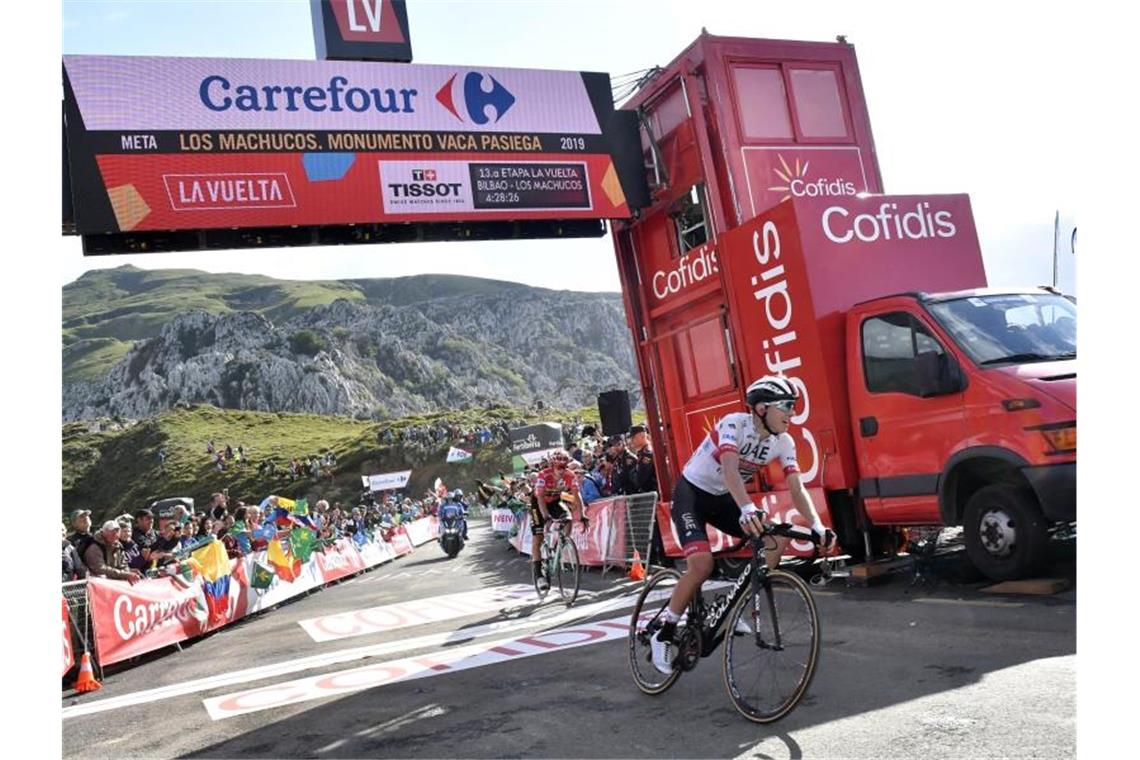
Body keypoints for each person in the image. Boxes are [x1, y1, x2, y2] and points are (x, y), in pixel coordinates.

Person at [649, 375, 836, 675]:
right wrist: (748, 508)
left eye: (793, 406)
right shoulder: (733, 424)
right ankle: (665, 632)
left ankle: (743, 608)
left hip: (725, 498)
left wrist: (816, 525)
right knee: (701, 566)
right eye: (786, 406)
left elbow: (797, 488)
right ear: (762, 408)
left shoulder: (783, 441)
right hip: (693, 494)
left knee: (775, 540)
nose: (791, 413)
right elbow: (730, 470)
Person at [530, 449, 587, 593]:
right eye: (558, 467)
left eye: (564, 467)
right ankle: (539, 575)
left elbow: (576, 495)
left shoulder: (570, 475)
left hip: (555, 500)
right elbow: (541, 498)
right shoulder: (544, 475)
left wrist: (582, 514)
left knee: (567, 520)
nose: (562, 471)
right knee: (538, 537)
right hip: (538, 503)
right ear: (552, 465)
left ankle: (560, 548)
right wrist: (546, 517)